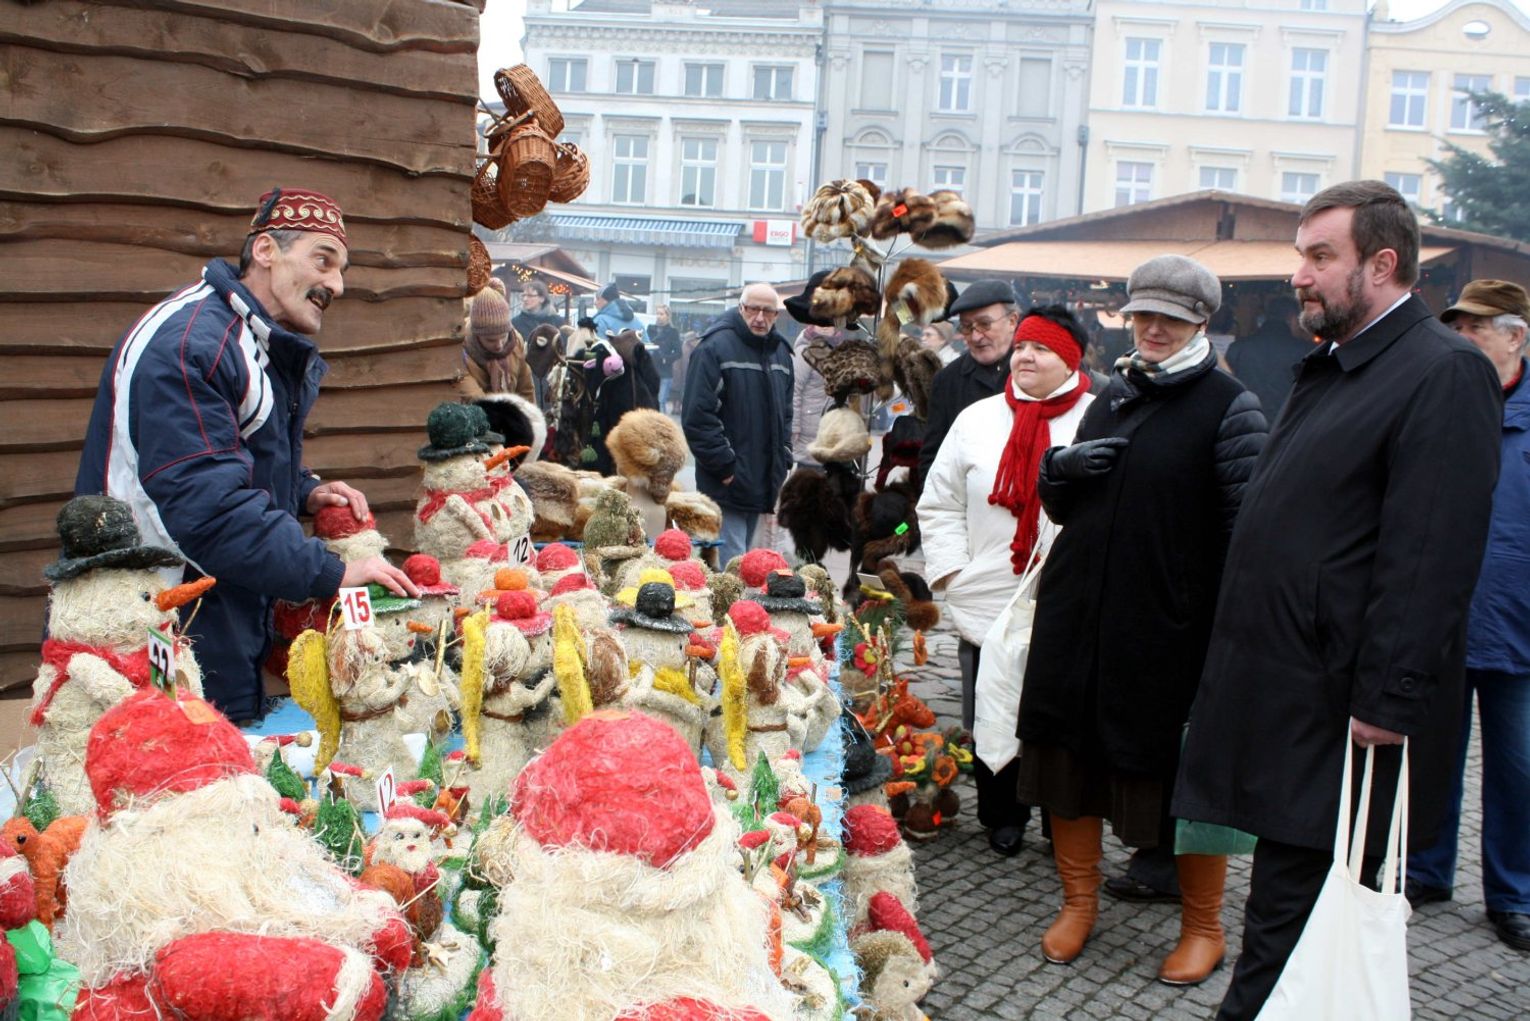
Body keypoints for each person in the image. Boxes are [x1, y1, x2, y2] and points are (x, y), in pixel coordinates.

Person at [1172, 181, 1502, 1019]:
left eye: (1321, 256)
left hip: (1344, 708)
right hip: (1284, 688)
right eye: (1301, 256)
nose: (1299, 275)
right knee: (1281, 912)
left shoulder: (1445, 369)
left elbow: (1431, 555)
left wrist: (1389, 700)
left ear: (1382, 264)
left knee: (1291, 926)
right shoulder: (1337, 363)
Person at [73, 187, 418, 721]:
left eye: (341, 270)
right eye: (323, 260)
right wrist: (330, 572)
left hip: (208, 613)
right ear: (265, 251)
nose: (336, 285)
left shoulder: (246, 338)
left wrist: (302, 490)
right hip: (160, 618)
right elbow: (208, 511)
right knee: (174, 754)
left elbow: (227, 457)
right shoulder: (192, 344)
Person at [1017, 254, 1268, 985]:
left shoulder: (1230, 406)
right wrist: (1057, 474)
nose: (1153, 329)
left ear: (1202, 322)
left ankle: (1204, 927)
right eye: (1143, 315)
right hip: (1078, 617)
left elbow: (1247, 536)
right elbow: (1067, 506)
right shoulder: (1116, 392)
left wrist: (1226, 638)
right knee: (1067, 758)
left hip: (1166, 631)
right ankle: (1079, 902)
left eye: (1171, 319)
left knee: (1183, 781)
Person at [919, 306, 1096, 857]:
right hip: (987, 589)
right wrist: (953, 572)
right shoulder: (976, 419)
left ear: (1069, 358)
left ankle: (1061, 820)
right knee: (991, 705)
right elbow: (940, 502)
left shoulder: (1098, 419)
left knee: (1058, 712)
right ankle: (1002, 813)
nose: (1025, 357)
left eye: (1040, 348)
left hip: (1065, 593)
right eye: (1021, 347)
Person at [1407, 279, 1530, 952]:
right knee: (1432, 758)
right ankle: (1425, 869)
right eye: (1456, 326)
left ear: (1515, 337)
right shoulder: (1446, 399)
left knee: (1518, 770)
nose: (1461, 337)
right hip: (1443, 619)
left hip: (1518, 626)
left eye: (1476, 327)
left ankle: (1514, 894)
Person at [682, 283, 794, 565]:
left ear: (777, 315)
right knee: (732, 568)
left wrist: (784, 456)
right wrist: (725, 466)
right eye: (753, 309)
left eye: (767, 311)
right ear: (741, 308)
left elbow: (786, 412)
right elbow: (698, 416)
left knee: (749, 566)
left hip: (763, 480)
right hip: (726, 484)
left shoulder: (780, 352)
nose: (760, 318)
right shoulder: (714, 348)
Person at [917, 279, 1018, 486]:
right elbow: (933, 459)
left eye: (985, 324)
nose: (976, 336)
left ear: (1012, 321)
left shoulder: (1037, 369)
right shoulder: (947, 380)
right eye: (966, 327)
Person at [1224, 294, 1314, 418]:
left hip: (1246, 421)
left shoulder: (1238, 348)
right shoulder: (1306, 351)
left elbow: (1227, 389)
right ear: (1292, 318)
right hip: (1288, 422)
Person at [458, 287, 535, 402]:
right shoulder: (460, 349)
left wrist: (529, 412)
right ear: (477, 336)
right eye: (490, 340)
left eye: (503, 337)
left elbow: (525, 389)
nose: (499, 345)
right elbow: (472, 396)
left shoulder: (515, 342)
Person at [648, 305, 683, 413]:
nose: (658, 316)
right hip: (650, 370)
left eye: (661, 314)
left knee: (661, 401)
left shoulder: (673, 332)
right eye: (657, 313)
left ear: (668, 316)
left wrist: (666, 359)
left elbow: (678, 352)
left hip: (665, 371)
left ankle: (662, 423)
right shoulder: (650, 329)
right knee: (649, 401)